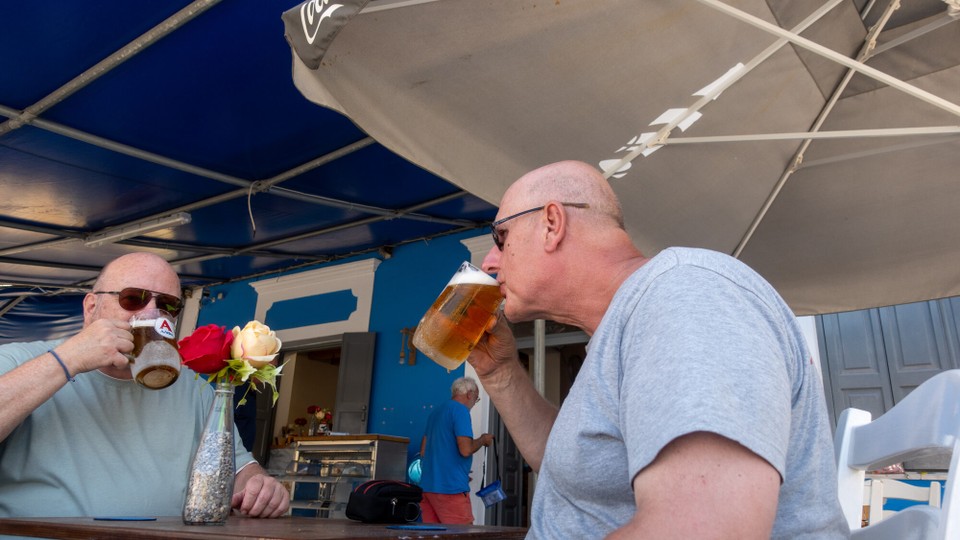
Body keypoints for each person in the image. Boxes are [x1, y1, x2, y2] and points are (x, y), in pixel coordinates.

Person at [469, 161, 848, 539]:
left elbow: (705, 529)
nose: (488, 262)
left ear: (552, 224)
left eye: (501, 237)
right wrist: (500, 373)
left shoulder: (686, 293)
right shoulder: (633, 322)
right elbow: (573, 470)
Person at [0, 252, 289, 519]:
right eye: (133, 298)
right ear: (91, 307)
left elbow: (236, 468)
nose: (152, 313)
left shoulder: (193, 387)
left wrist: (259, 486)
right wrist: (69, 359)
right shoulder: (20, 361)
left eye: (167, 305)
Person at [418, 377, 494, 524]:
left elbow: (423, 450)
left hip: (427, 488)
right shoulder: (460, 410)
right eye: (477, 399)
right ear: (470, 394)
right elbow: (465, 450)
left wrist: (456, 469)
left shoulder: (435, 413)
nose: (474, 403)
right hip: (450, 489)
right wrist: (483, 440)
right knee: (462, 533)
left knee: (433, 534)